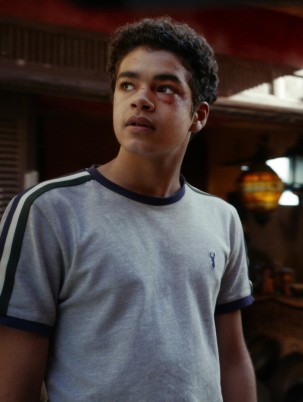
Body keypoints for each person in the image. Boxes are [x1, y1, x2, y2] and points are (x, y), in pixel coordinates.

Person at [0, 17, 257, 401]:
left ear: (199, 116)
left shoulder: (222, 219)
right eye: (128, 85)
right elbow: (13, 384)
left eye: (165, 88)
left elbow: (233, 357)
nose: (140, 98)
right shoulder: (47, 212)